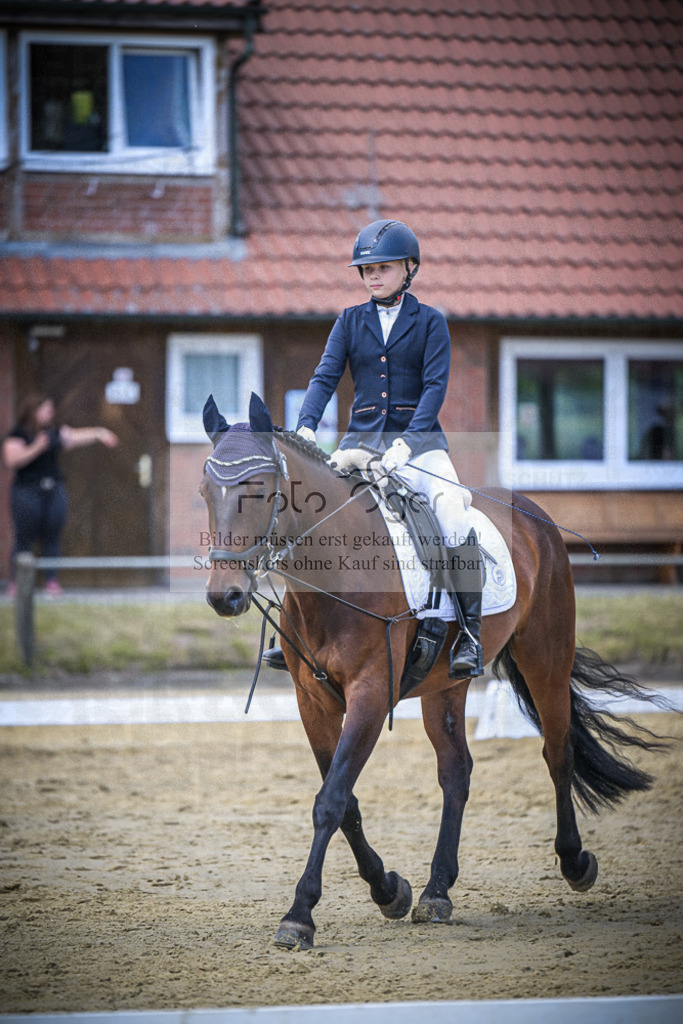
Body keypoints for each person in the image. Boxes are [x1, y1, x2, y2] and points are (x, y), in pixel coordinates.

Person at [265, 219, 484, 678]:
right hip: (358, 447)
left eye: (383, 268)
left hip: (420, 448)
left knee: (452, 513)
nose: (373, 276)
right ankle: (293, 631)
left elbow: (434, 389)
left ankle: (470, 633)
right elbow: (325, 376)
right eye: (367, 270)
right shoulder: (350, 320)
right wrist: (306, 428)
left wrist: (408, 442)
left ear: (409, 268)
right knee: (310, 515)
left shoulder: (431, 322)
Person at [2, 393, 119, 596]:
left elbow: (75, 436)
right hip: (26, 491)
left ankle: (52, 581)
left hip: (53, 489)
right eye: (46, 409)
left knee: (52, 536)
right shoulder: (18, 434)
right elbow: (12, 460)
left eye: (51, 409)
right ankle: (18, 583)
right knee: (24, 538)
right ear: (33, 410)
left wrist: (100, 433)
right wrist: (36, 447)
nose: (50, 412)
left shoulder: (53, 432)